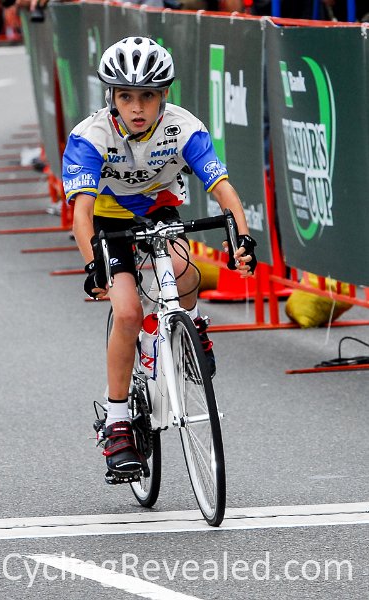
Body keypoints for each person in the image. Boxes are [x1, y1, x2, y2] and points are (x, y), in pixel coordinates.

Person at [62, 37, 257, 483]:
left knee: (185, 273)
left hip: (159, 209)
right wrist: (94, 266)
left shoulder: (184, 127)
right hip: (108, 221)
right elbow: (81, 215)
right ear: (111, 96)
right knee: (128, 312)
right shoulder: (90, 136)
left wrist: (242, 239)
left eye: (148, 96)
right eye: (125, 96)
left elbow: (223, 190)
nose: (137, 107)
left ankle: (188, 326)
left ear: (164, 94)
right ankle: (116, 422)